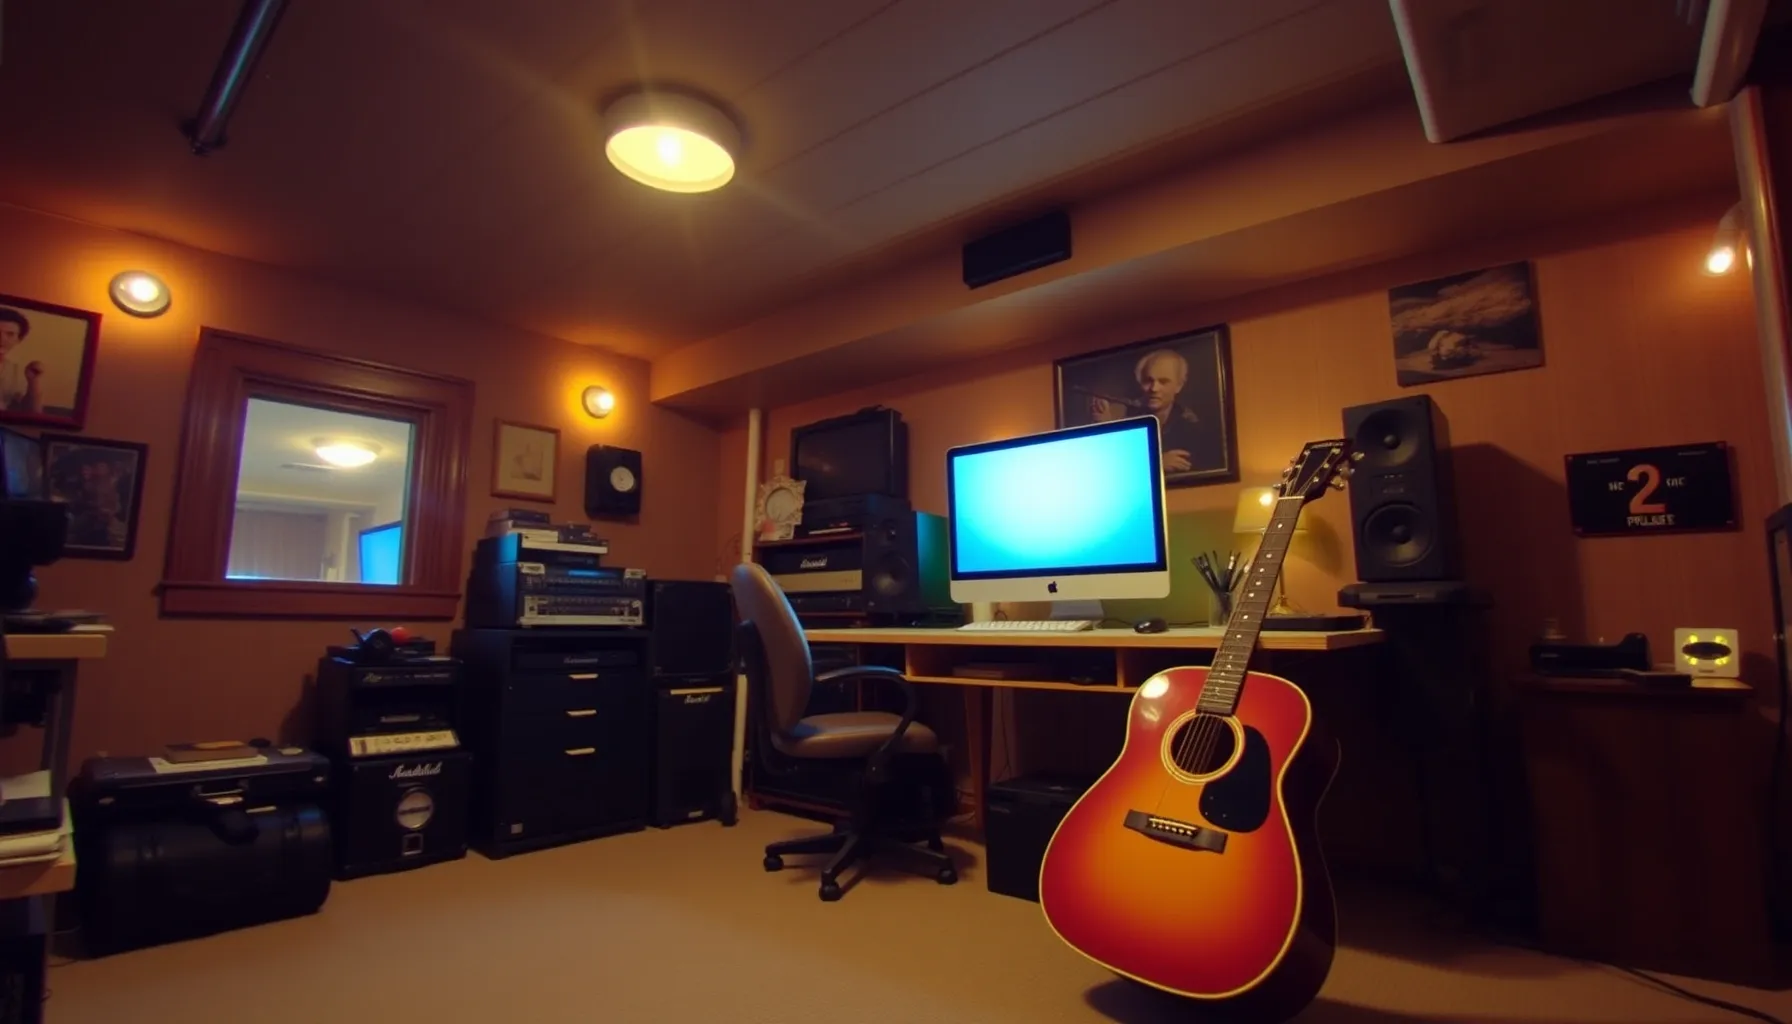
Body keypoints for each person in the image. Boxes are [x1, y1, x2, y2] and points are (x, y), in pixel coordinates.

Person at [1087, 348, 1217, 475]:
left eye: (1163, 381)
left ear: (1179, 386)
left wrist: (1153, 463)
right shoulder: (1128, 417)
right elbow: (1108, 468)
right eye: (1148, 381)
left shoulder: (1191, 428)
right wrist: (1105, 429)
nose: (1154, 388)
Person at [0, 308, 44, 414]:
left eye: (10, 334)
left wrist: (34, 381)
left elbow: (34, 414)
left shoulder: (16, 371)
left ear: (18, 339)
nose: (2, 339)